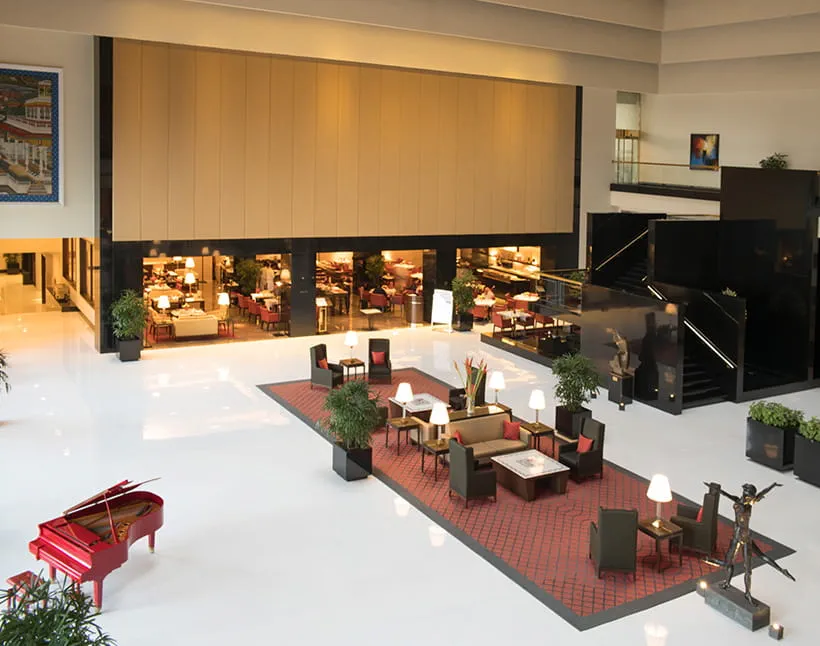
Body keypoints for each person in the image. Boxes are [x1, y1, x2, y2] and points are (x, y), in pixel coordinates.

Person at [709, 482, 795, 604]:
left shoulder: (749, 503)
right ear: (745, 494)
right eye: (750, 497)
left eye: (752, 497)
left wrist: (772, 486)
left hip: (746, 536)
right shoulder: (739, 502)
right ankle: (727, 582)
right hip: (737, 537)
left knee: (749, 567)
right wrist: (718, 491)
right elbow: (727, 495)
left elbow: (761, 494)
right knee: (729, 563)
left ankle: (748, 592)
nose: (752, 499)